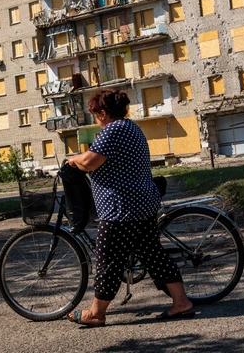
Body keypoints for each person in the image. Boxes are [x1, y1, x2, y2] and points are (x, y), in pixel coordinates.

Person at [66, 89, 193, 327]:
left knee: (107, 261)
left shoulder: (112, 131)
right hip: (142, 203)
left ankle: (95, 313)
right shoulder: (131, 127)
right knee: (154, 254)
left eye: (95, 114)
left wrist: (73, 160)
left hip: (121, 209)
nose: (95, 118)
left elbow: (90, 162)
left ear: (103, 113)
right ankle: (181, 302)